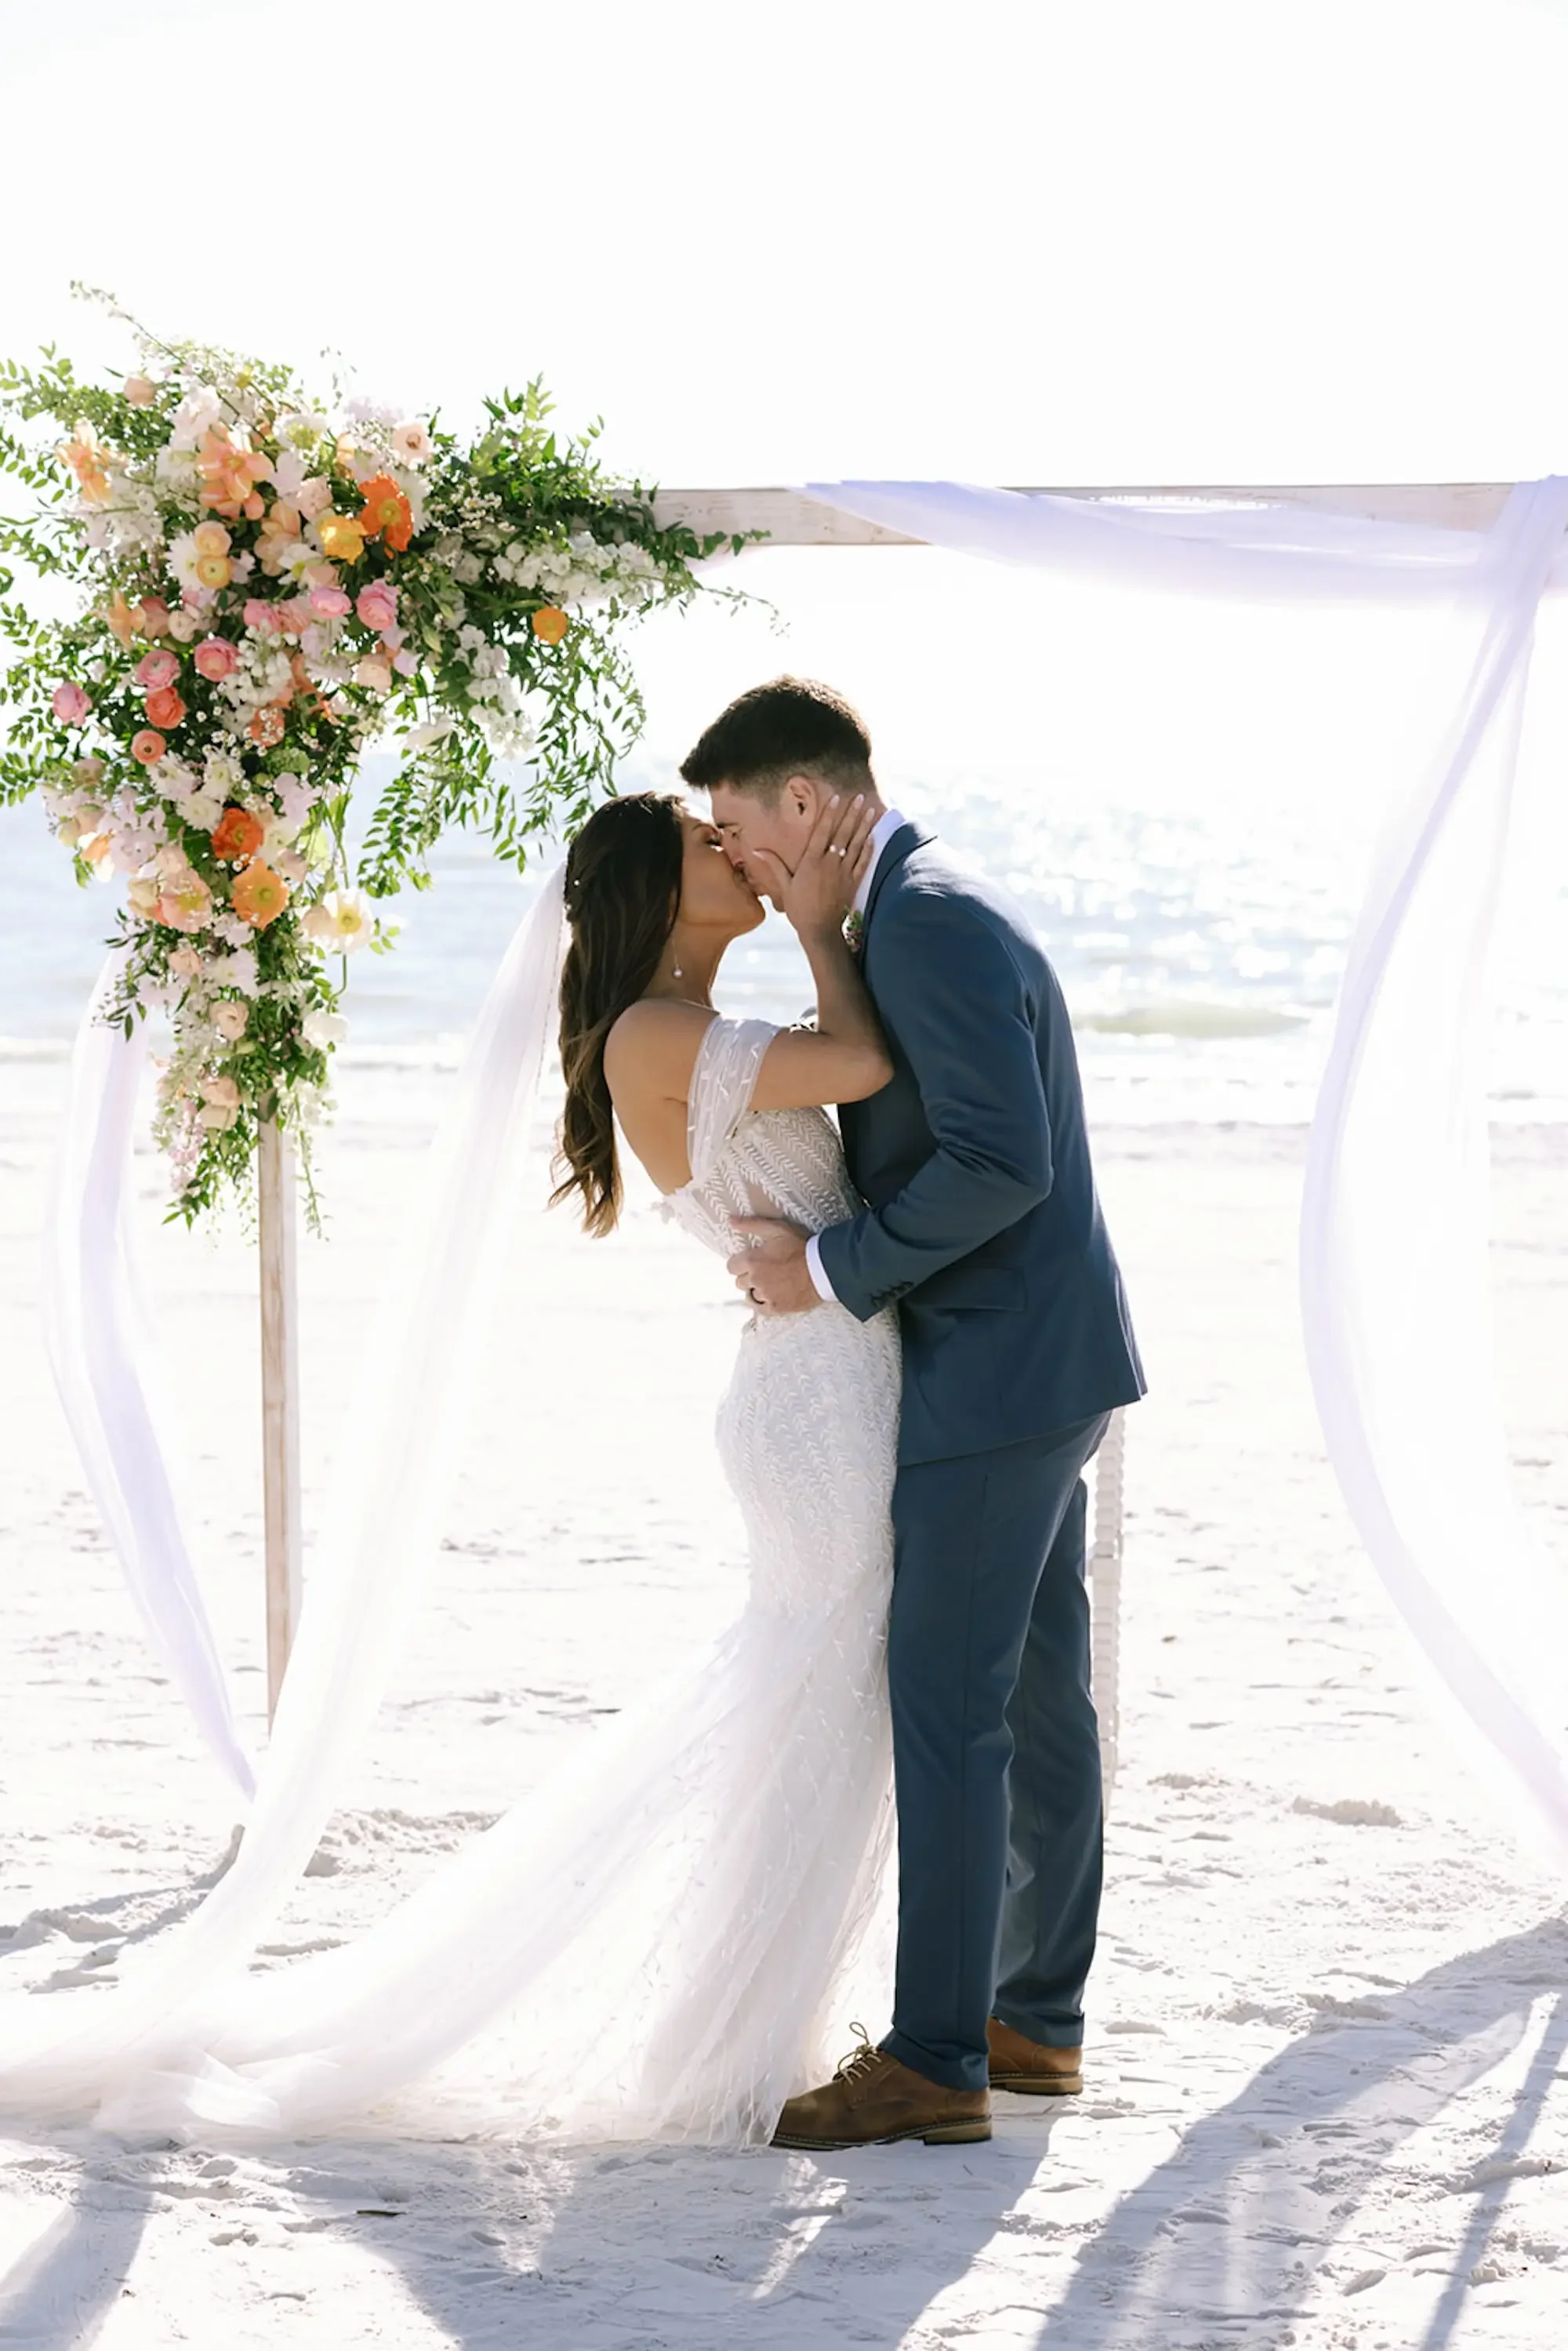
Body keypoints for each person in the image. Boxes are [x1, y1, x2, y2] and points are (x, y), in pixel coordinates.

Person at [678, 675, 1145, 2152]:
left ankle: (940, 2055)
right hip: (1041, 1358)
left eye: (742, 831)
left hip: (994, 1368)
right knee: (1037, 1696)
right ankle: (1033, 2020)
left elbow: (1003, 1162)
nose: (742, 861)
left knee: (945, 1704)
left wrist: (826, 1269)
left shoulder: (928, 921)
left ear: (805, 800)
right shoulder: (921, 902)